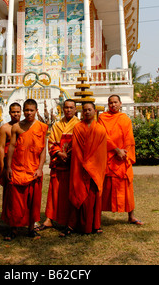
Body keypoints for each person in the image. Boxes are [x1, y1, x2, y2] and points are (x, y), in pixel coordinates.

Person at [1, 99, 48, 240]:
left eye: (31, 110)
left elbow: (43, 150)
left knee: (33, 201)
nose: (28, 113)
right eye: (26, 110)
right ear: (23, 110)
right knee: (14, 201)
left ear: (36, 111)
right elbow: (11, 147)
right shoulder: (16, 127)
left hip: (33, 168)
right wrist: (8, 167)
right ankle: (13, 229)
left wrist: (40, 168)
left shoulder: (42, 127)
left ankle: (31, 228)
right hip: (18, 167)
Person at [61, 101, 107, 236]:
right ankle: (73, 225)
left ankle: (94, 225)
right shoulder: (78, 128)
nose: (87, 112)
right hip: (80, 167)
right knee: (77, 195)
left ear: (95, 111)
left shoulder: (100, 129)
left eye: (89, 110)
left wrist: (92, 166)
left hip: (94, 170)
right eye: (85, 110)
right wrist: (82, 164)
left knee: (93, 197)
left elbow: (101, 152)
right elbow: (76, 149)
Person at [98, 95, 143, 225]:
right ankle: (97, 216)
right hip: (109, 156)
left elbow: (129, 138)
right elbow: (103, 136)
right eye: (110, 103)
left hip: (123, 157)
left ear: (120, 103)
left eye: (115, 102)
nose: (113, 105)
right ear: (108, 104)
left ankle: (131, 216)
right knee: (104, 187)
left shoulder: (125, 119)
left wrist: (124, 153)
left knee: (127, 186)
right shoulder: (102, 118)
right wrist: (116, 150)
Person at [37, 99, 79, 230]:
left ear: (75, 110)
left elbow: (81, 144)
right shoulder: (57, 125)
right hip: (59, 161)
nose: (68, 110)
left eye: (71, 108)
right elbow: (51, 142)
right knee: (54, 191)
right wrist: (60, 154)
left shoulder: (79, 125)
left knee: (70, 192)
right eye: (66, 107)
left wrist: (70, 155)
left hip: (73, 164)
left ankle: (70, 220)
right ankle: (49, 218)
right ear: (63, 108)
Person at [0, 102, 22, 210]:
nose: (16, 114)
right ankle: (8, 216)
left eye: (18, 112)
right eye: (13, 112)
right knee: (9, 191)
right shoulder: (4, 128)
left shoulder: (25, 126)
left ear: (21, 112)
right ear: (9, 113)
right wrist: (2, 166)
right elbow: (2, 147)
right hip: (9, 162)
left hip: (22, 161)